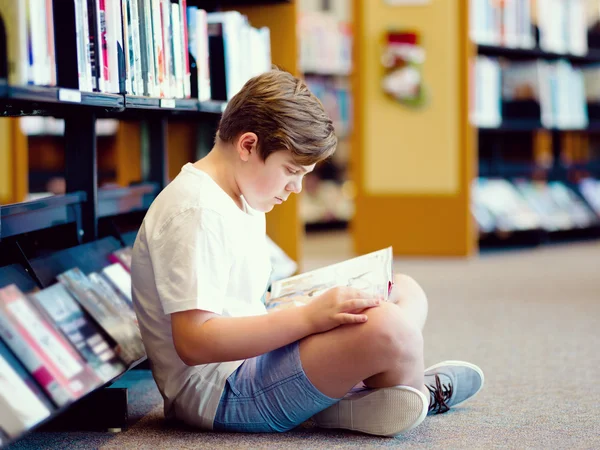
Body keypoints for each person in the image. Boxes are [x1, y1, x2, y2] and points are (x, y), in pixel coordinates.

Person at [130, 68, 484, 437]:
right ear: (248, 145)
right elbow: (194, 342)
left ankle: (358, 394)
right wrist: (310, 318)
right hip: (223, 392)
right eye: (290, 170)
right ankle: (404, 391)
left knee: (403, 288)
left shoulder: (241, 196)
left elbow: (243, 301)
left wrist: (311, 303)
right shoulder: (197, 211)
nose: (296, 188)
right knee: (393, 330)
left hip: (254, 359)